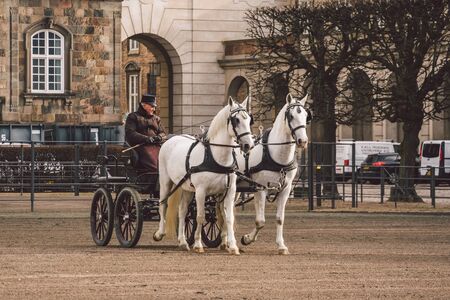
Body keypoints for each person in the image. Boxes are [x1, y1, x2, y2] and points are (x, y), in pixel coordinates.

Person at [125, 94, 167, 173]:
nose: (153, 109)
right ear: (143, 105)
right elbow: (130, 133)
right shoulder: (133, 117)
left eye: (154, 107)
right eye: (152, 106)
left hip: (157, 146)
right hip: (141, 146)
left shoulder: (156, 119)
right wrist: (146, 139)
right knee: (156, 167)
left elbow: (163, 133)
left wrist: (159, 137)